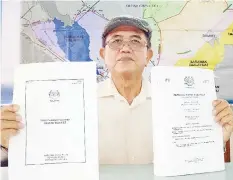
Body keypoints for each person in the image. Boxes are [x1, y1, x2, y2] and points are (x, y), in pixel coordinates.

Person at [1, 15, 233, 166]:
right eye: (116, 41)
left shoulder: (172, 103)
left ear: (149, 55)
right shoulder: (77, 103)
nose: (125, 48)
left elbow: (192, 161)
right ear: (103, 55)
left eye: (135, 41)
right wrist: (8, 143)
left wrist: (215, 138)